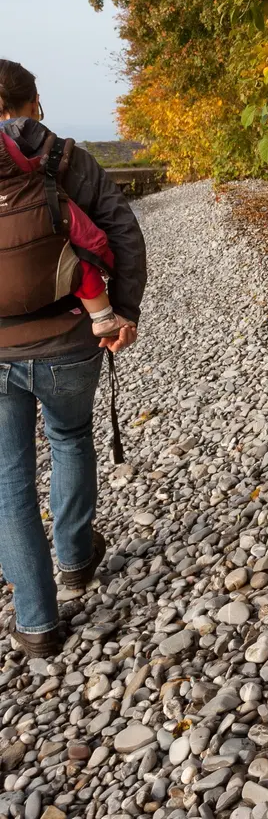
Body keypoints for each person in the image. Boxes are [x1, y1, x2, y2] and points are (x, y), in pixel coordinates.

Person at [0, 60, 147, 657]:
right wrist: (123, 311)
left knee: (8, 480)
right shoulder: (64, 160)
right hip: (71, 334)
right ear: (35, 103)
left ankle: (36, 623)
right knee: (70, 438)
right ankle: (77, 561)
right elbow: (123, 231)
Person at [0, 129, 123, 337]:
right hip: (53, 290)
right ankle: (103, 319)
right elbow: (94, 240)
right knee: (82, 264)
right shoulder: (46, 194)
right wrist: (107, 263)